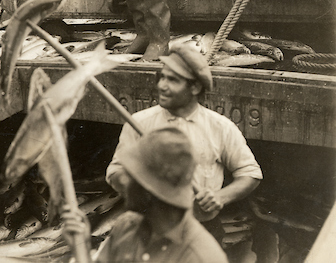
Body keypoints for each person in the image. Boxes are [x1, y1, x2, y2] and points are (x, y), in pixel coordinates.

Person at [106, 43, 263, 243]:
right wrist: (145, 189)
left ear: (195, 86)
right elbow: (115, 172)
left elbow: (250, 173)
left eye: (172, 80)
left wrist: (221, 197)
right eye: (162, 77)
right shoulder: (139, 122)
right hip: (150, 229)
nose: (162, 85)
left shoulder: (220, 126)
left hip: (202, 230)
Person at [62, 126, 228, 262]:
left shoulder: (201, 257)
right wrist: (80, 246)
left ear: (150, 191)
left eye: (132, 178)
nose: (124, 183)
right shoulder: (126, 227)